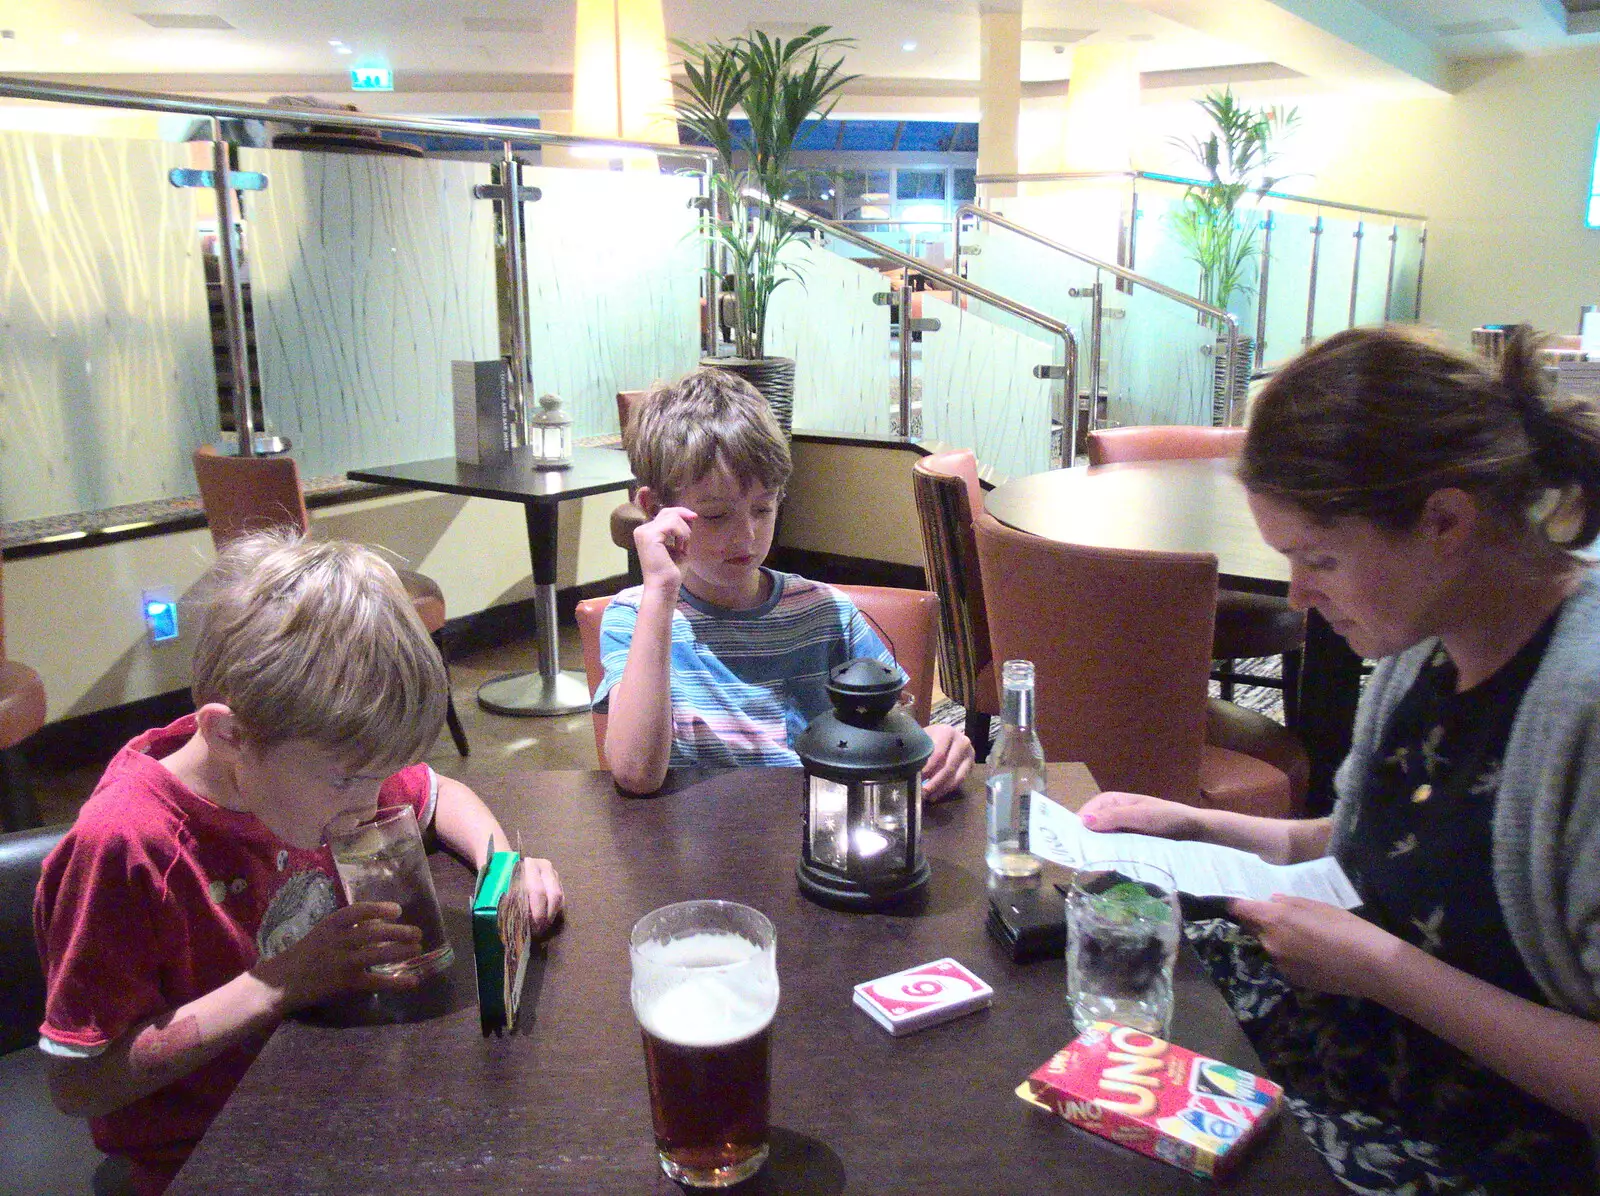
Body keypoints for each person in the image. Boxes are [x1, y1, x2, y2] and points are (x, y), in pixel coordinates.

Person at [1078, 326, 1600, 1194]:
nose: (1298, 597)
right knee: (1083, 1002)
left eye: (1318, 559)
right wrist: (1205, 824)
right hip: (1342, 1032)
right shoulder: (1423, 638)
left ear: (1446, 521)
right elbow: (1400, 843)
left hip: (1468, 1130)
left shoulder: (1580, 703)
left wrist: (1386, 971)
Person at [33, 532, 565, 1195]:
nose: (372, 804)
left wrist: (502, 866)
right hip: (206, 1153)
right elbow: (78, 1083)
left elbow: (440, 794)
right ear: (229, 735)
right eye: (351, 782)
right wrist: (281, 981)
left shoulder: (314, 763)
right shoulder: (128, 848)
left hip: (339, 1090)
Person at [595, 367, 974, 797]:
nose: (747, 537)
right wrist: (661, 594)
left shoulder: (825, 613)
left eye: (763, 508)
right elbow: (635, 773)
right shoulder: (633, 618)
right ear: (654, 508)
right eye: (716, 515)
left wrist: (938, 745)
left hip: (814, 836)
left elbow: (899, 734)